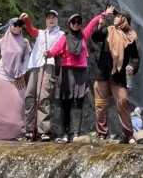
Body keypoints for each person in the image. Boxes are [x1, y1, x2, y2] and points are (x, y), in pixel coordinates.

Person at [47, 8, 110, 142]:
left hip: (80, 72)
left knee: (78, 102)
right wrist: (49, 53)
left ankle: (76, 133)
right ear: (69, 24)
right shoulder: (64, 37)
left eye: (79, 22)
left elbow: (93, 22)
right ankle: (65, 133)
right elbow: (56, 49)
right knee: (66, 103)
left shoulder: (84, 35)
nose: (76, 24)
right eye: (74, 22)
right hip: (67, 71)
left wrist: (105, 13)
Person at [92, 8, 140, 143]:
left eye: (119, 16)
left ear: (125, 20)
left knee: (122, 102)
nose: (116, 18)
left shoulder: (130, 37)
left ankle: (129, 134)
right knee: (100, 104)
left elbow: (135, 57)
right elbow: (96, 37)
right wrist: (100, 25)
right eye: (116, 16)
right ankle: (102, 134)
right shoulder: (108, 30)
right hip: (102, 71)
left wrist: (133, 67)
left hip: (118, 75)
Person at [23, 9, 63, 141]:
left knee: (44, 97)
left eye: (53, 17)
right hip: (35, 65)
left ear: (57, 20)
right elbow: (31, 30)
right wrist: (26, 20)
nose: (51, 19)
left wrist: (51, 53)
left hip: (49, 65)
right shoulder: (40, 33)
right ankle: (30, 129)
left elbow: (60, 49)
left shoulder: (61, 35)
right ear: (46, 20)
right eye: (49, 17)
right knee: (29, 95)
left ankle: (44, 130)